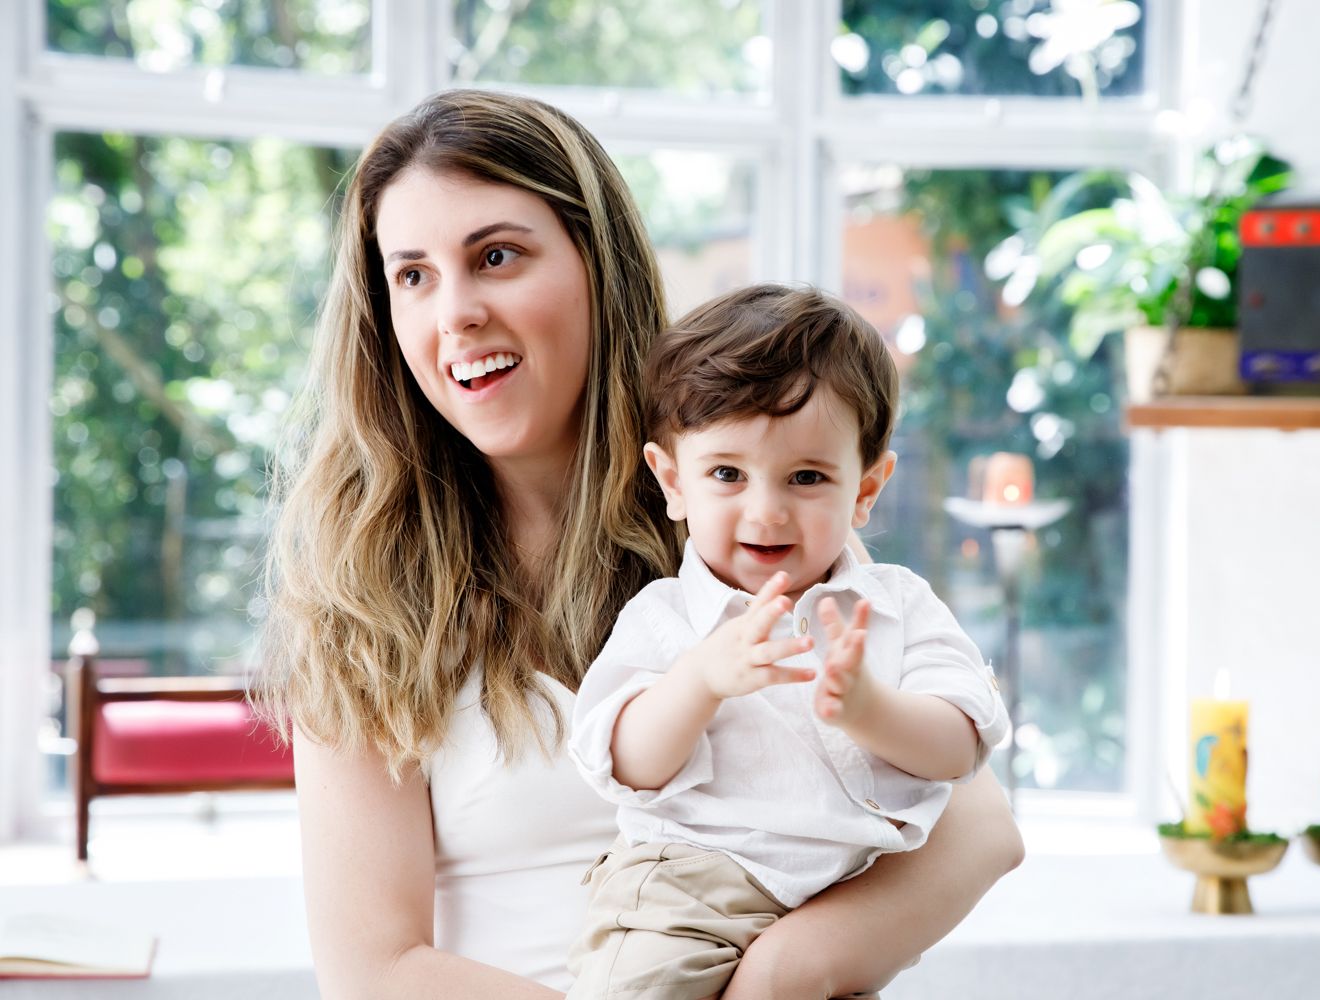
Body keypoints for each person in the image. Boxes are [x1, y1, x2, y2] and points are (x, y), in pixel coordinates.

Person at [255, 88, 1024, 1000]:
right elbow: (373, 971)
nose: (455, 312)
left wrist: (783, 972)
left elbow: (978, 827)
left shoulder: (738, 509)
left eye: (496, 256)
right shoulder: (360, 598)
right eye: (413, 275)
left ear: (598, 264)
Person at [565, 284, 1012, 1000]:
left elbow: (962, 747)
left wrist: (870, 710)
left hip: (841, 895)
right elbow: (626, 764)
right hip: (689, 892)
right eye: (727, 475)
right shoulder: (666, 617)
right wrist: (699, 682)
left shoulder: (897, 606)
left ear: (865, 490)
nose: (767, 511)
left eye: (807, 477)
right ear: (673, 482)